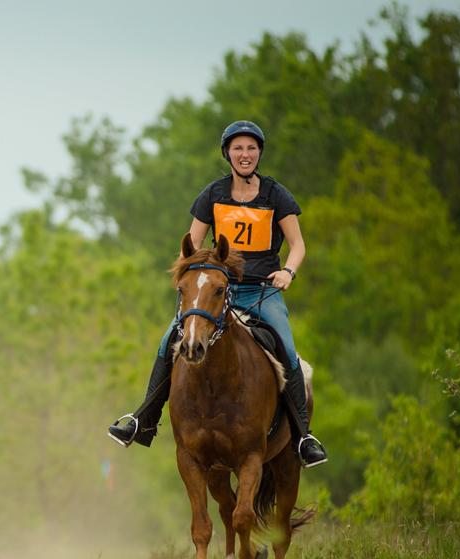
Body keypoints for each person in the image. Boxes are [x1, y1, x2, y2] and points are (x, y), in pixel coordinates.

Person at [107, 120, 328, 468]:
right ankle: (142, 420)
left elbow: (298, 244)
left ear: (259, 153)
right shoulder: (212, 194)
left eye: (251, 148)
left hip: (261, 292)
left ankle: (303, 438)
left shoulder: (276, 195)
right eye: (238, 148)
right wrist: (190, 274)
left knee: (286, 350)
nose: (245, 154)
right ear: (227, 153)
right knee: (168, 343)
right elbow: (192, 243)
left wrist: (288, 271)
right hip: (215, 293)